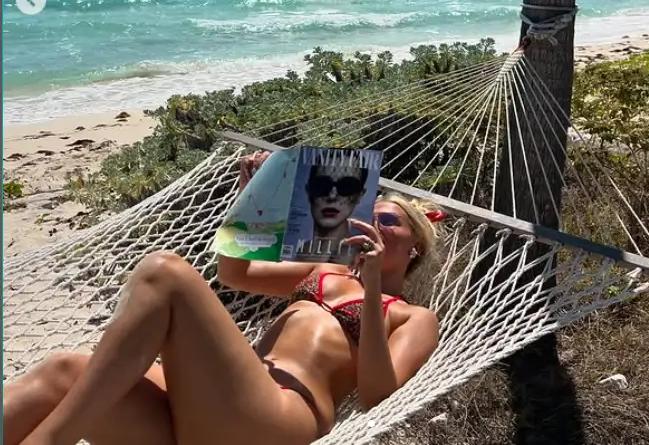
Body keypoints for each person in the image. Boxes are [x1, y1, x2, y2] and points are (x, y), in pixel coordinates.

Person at [3, 151, 445, 445]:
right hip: (220, 403)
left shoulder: (414, 316)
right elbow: (235, 272)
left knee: (165, 272)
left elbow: (378, 396)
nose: (373, 224)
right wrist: (251, 200)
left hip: (277, 418)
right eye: (370, 215)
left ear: (415, 246)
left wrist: (370, 292)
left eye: (388, 220)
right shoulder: (321, 268)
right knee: (63, 371)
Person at [299, 161, 369, 261]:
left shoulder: (362, 256)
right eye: (322, 185)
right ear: (309, 191)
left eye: (347, 186)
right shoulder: (296, 252)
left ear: (359, 195)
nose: (332, 196)